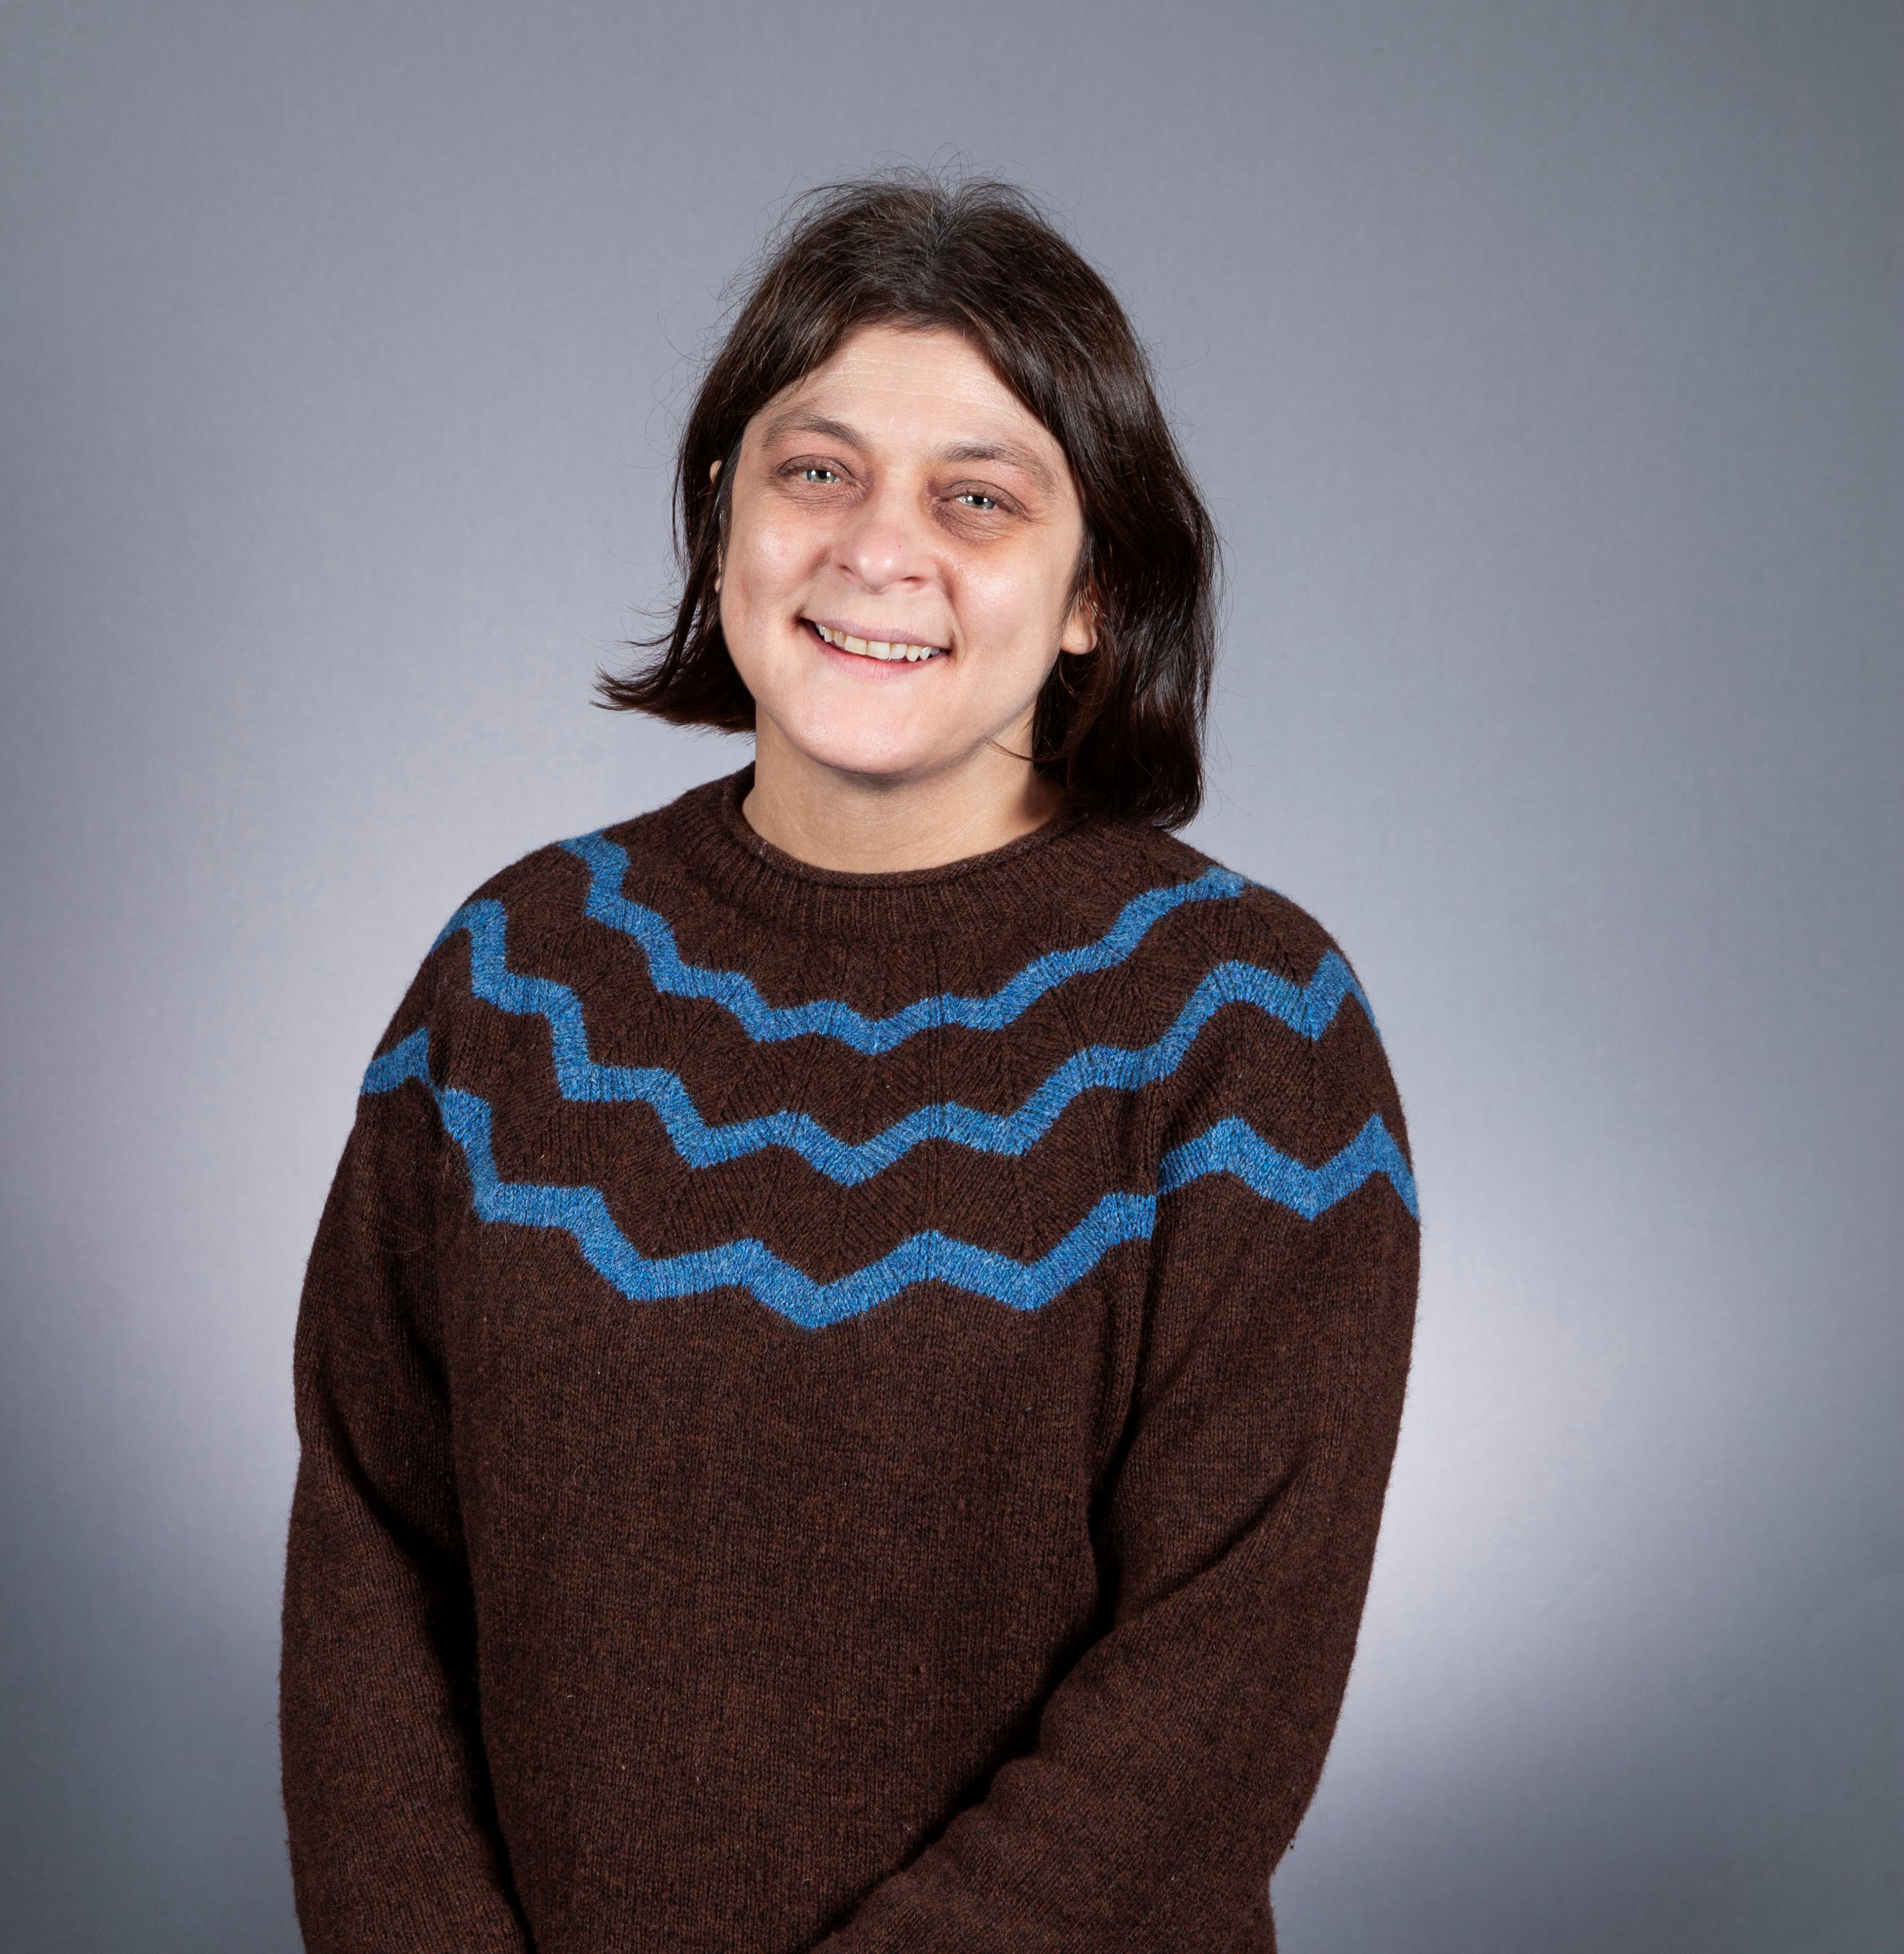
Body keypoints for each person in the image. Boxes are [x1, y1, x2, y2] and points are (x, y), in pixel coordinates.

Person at [279, 173, 1419, 1954]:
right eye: (817, 471)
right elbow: (367, 1564)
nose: (878, 549)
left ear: (1090, 595)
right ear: (724, 515)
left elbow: (1220, 1690)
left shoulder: (1245, 1029)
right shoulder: (514, 978)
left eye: (978, 499)